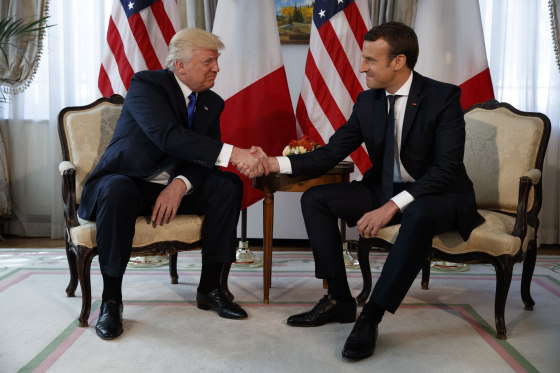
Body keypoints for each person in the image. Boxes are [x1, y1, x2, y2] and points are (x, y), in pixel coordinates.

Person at [246, 22, 484, 361]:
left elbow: (445, 170)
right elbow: (331, 152)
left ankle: (371, 316)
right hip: (384, 187)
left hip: (439, 195)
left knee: (416, 213)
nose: (361, 67)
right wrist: (273, 163)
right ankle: (339, 300)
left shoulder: (442, 97)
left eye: (370, 60)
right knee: (317, 199)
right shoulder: (368, 101)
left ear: (398, 61)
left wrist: (392, 206)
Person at [78, 28, 268, 340]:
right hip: (126, 179)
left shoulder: (212, 103)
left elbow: (203, 159)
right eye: (208, 61)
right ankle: (111, 301)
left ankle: (211, 289)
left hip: (170, 186)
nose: (216, 68)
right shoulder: (146, 85)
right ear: (179, 65)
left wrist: (180, 185)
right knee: (118, 190)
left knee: (227, 186)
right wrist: (234, 153)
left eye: (216, 61)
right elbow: (166, 136)